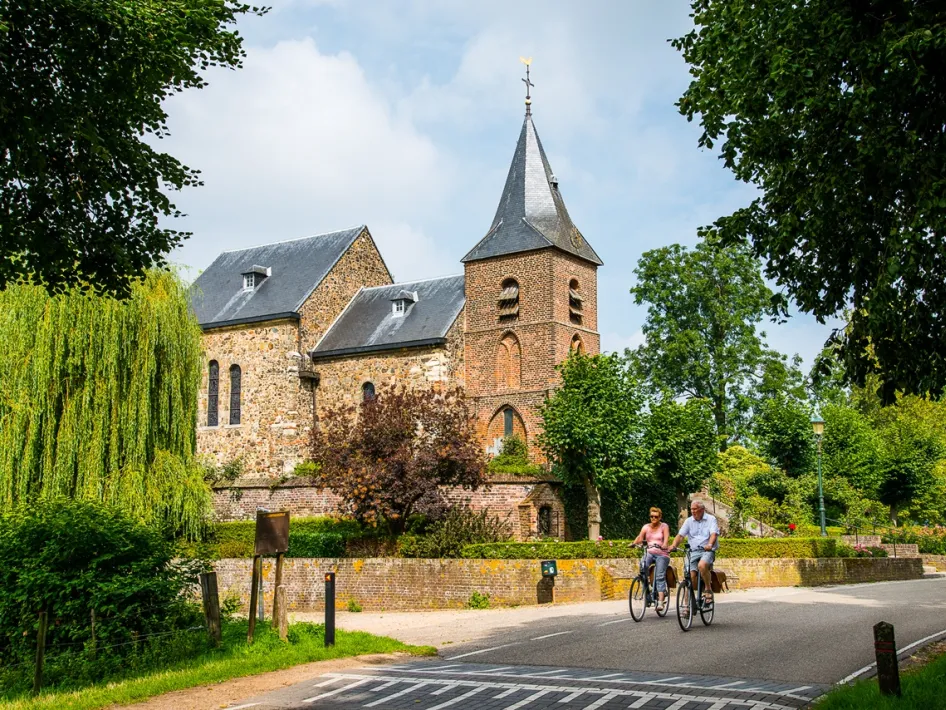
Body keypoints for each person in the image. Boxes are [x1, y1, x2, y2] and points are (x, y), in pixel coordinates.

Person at [668, 500, 719, 605]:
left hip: (706, 551)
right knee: (689, 576)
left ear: (702, 510)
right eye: (691, 509)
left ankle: (708, 589)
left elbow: (714, 534)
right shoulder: (688, 521)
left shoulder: (711, 519)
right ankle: (687, 605)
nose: (692, 511)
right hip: (693, 551)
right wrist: (673, 546)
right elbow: (680, 535)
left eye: (695, 509)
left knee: (702, 565)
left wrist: (710, 545)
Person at [632, 507, 670, 611]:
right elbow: (640, 538)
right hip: (649, 552)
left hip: (662, 554)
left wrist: (665, 545)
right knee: (642, 566)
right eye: (651, 516)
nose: (653, 518)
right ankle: (647, 591)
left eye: (656, 517)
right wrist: (633, 544)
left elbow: (666, 538)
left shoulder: (664, 526)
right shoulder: (646, 527)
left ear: (660, 517)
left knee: (659, 576)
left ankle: (661, 601)